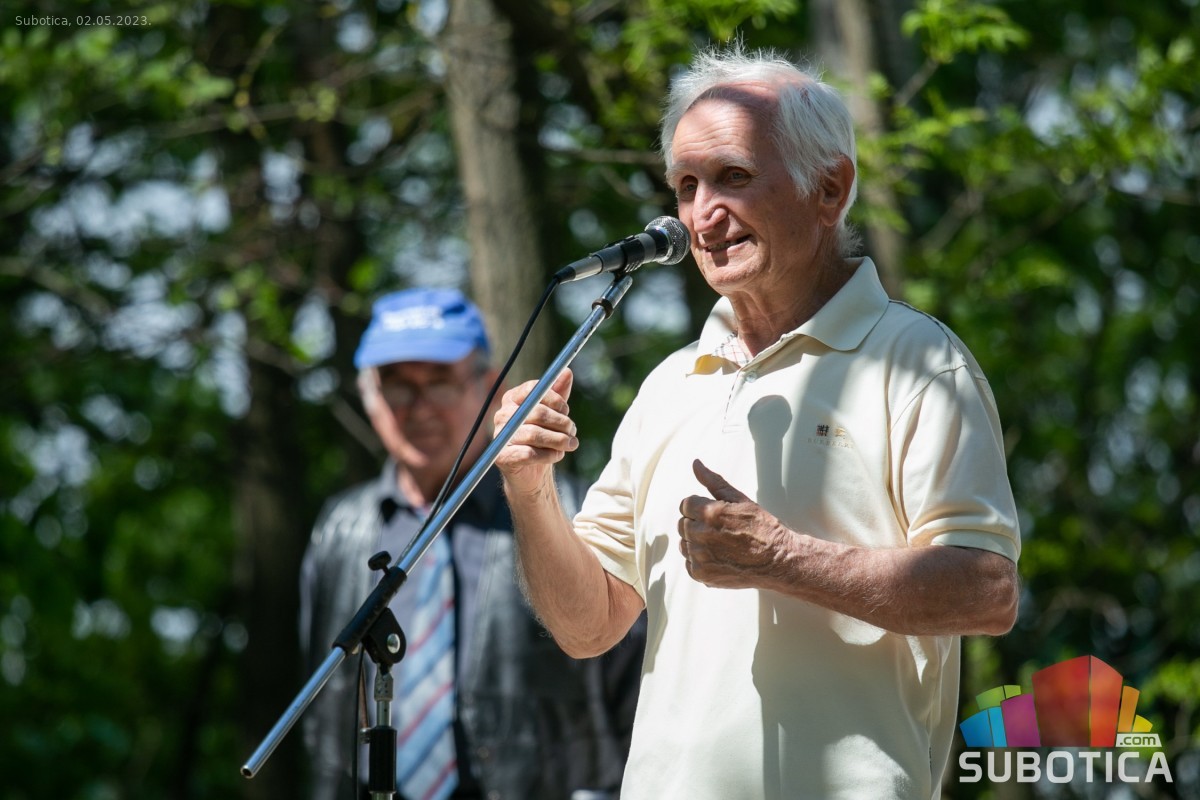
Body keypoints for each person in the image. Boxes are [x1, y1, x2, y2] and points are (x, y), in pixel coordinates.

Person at [493, 46, 1021, 800]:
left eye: (733, 176)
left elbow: (985, 589)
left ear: (829, 188)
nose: (701, 215)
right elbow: (589, 626)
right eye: (685, 185)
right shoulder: (669, 385)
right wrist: (528, 486)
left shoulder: (917, 361)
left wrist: (783, 559)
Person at [299, 287, 643, 800]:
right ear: (370, 397)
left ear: (487, 385)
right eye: (397, 387)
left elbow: (638, 687)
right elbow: (324, 704)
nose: (419, 409)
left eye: (440, 384)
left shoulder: (571, 511)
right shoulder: (340, 527)